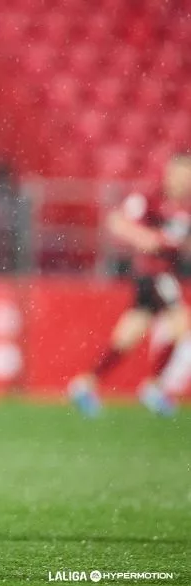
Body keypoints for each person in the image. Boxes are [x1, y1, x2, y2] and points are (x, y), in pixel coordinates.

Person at [68, 153, 191, 417]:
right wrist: (144, 237)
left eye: (187, 176)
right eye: (179, 174)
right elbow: (117, 221)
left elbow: (180, 242)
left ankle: (85, 383)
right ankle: (155, 387)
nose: (183, 180)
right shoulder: (150, 198)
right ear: (169, 173)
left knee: (128, 335)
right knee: (183, 323)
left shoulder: (186, 208)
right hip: (153, 275)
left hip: (166, 274)